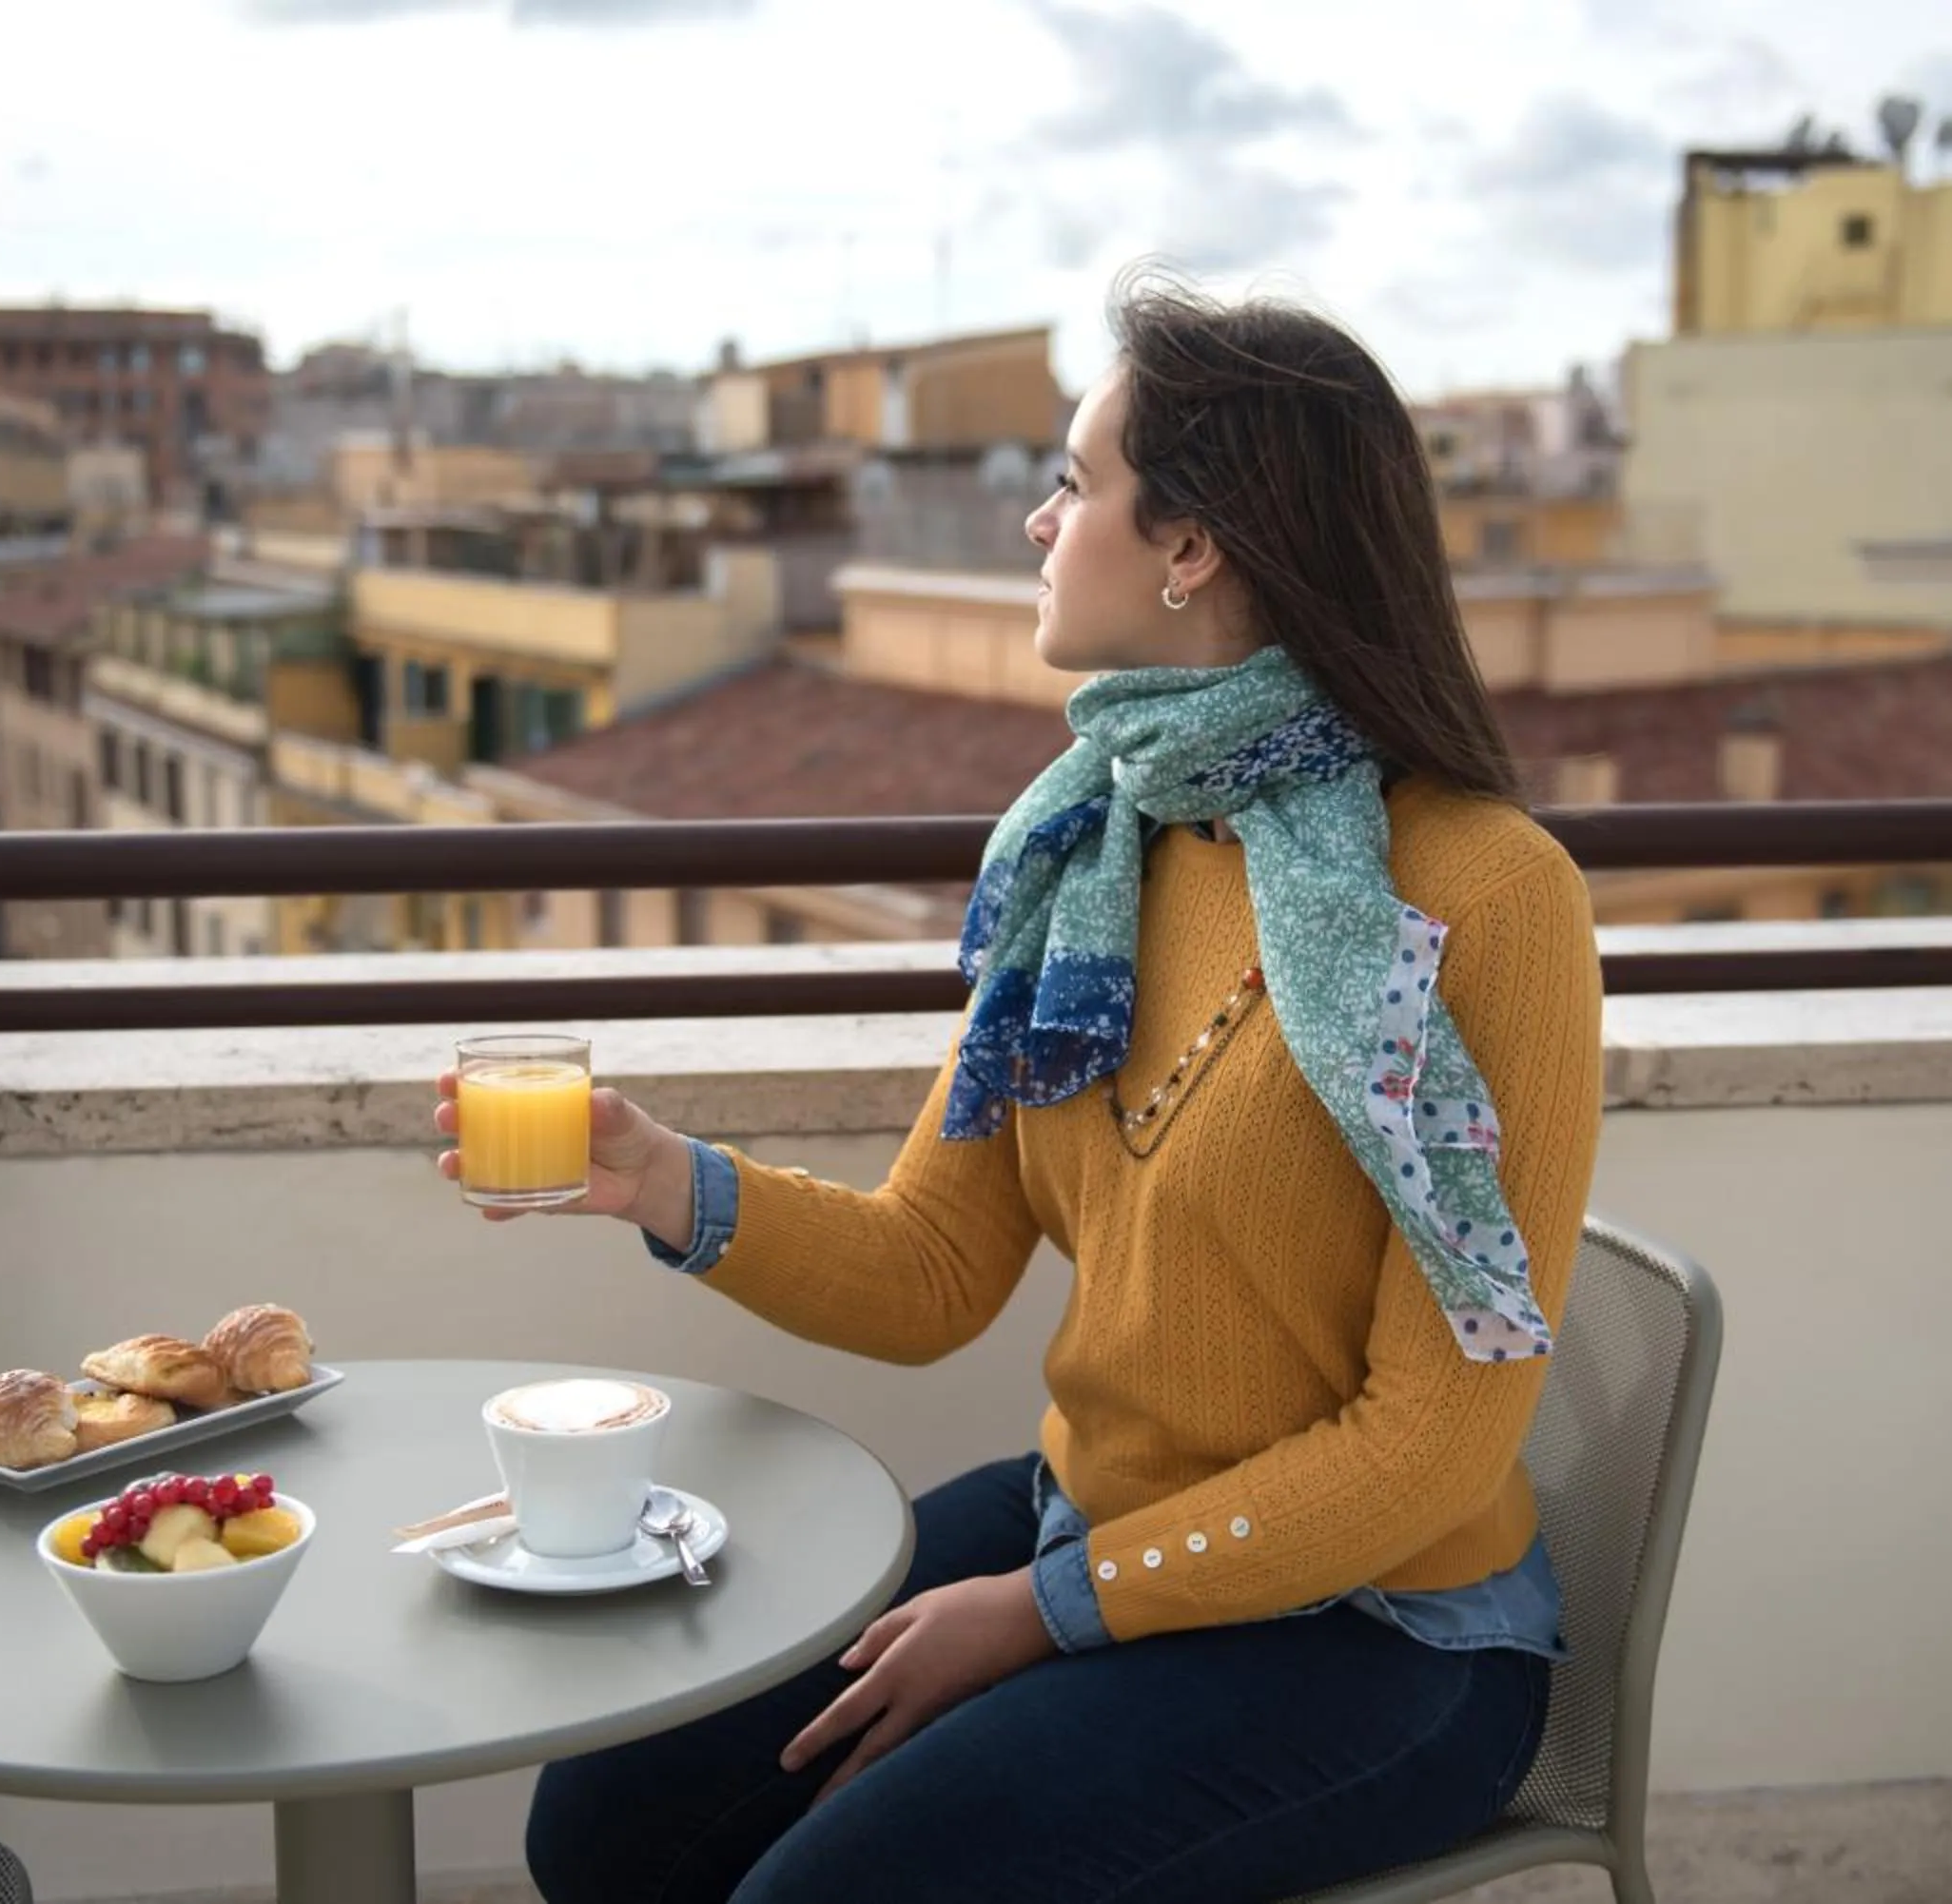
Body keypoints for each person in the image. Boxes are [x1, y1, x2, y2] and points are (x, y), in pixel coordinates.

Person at [434, 273, 1605, 1904]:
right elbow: (932, 1269)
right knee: (611, 1821)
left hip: (1380, 1635)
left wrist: (1040, 1614)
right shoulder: (1098, 845)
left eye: (1074, 482)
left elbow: (1423, 1449)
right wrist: (664, 1183)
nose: (1039, 524)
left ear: (1193, 546)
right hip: (1093, 1521)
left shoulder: (1488, 895)